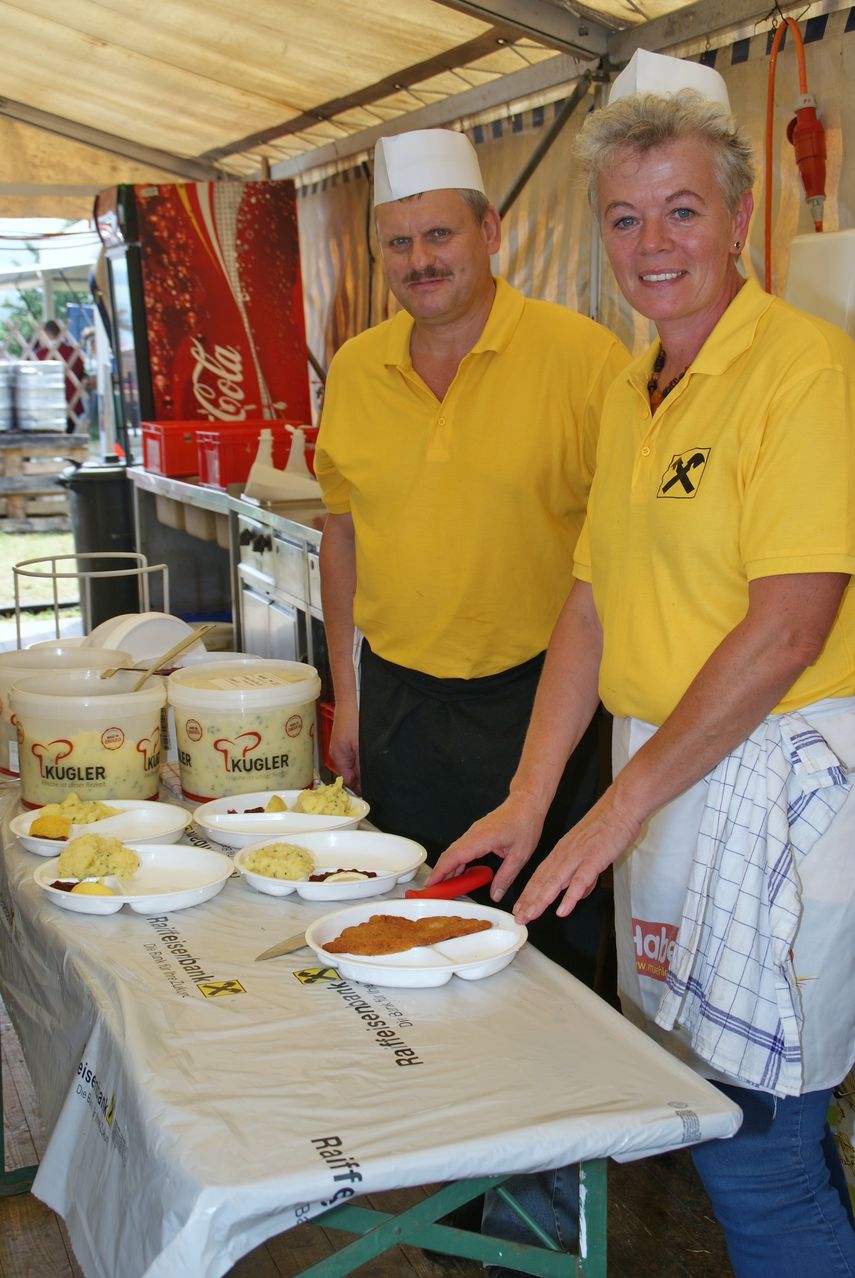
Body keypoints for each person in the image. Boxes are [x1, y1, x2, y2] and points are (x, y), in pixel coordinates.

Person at [432, 50, 855, 1278]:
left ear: (739, 216)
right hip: (667, 776)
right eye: (625, 218)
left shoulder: (803, 371)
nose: (653, 243)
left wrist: (615, 809)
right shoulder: (636, 387)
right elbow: (592, 603)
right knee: (706, 1098)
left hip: (772, 783)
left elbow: (788, 628)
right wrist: (530, 798)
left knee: (758, 1143)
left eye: (681, 209)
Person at [314, 127, 629, 1274]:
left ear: (493, 232)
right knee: (414, 951)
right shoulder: (357, 368)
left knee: (549, 967)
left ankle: (543, 1225)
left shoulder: (585, 358)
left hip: (544, 710)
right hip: (401, 702)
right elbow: (340, 532)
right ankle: (448, 1189)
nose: (421, 260)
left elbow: (621, 553)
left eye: (440, 234)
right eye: (398, 243)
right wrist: (348, 692)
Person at [34, 319, 87, 433]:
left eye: (40, 336)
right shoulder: (75, 353)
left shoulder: (40, 355)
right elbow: (83, 375)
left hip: (48, 409)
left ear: (47, 334)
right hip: (73, 406)